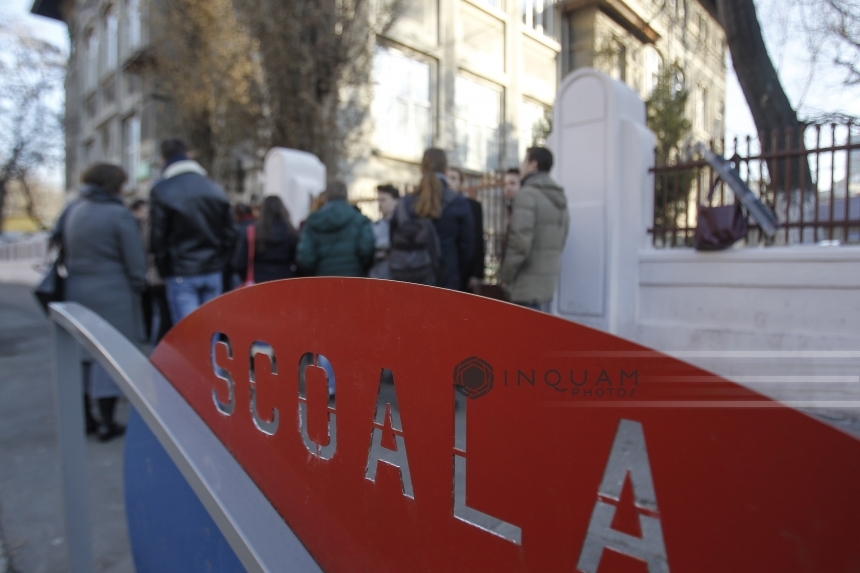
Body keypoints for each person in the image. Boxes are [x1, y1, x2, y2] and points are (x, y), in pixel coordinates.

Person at [64, 164, 148, 441]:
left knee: (83, 355)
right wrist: (139, 283)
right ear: (115, 185)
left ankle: (86, 418)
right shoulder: (117, 214)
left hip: (77, 289)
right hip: (113, 292)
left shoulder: (74, 210)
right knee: (106, 353)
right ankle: (107, 421)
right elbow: (135, 259)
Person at [149, 138, 237, 323]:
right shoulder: (215, 188)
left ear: (164, 159)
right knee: (211, 329)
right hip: (212, 269)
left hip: (182, 271)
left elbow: (158, 238)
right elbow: (230, 233)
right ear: (188, 155)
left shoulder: (162, 190)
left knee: (188, 331)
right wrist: (220, 261)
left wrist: (165, 269)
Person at [498, 147, 569, 310]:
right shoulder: (558, 196)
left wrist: (505, 276)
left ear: (533, 165)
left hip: (524, 285)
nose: (520, 167)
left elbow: (520, 244)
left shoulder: (527, 195)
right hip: (546, 284)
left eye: (524, 162)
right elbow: (562, 238)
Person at [392, 148, 473, 290]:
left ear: (421, 169)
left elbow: (393, 239)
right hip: (447, 280)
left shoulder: (404, 203)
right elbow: (467, 247)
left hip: (411, 281)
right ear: (446, 170)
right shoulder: (458, 202)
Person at [296, 181, 375, 277]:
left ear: (326, 197)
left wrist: (313, 272)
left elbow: (305, 257)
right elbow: (366, 250)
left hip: (323, 278)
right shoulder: (359, 220)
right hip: (354, 277)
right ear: (346, 196)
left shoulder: (313, 221)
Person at [130, 199, 172, 344]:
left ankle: (155, 344)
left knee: (157, 314)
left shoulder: (147, 227)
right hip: (157, 276)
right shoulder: (150, 227)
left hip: (154, 276)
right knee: (159, 315)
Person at [233, 195, 299, 283]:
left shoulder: (254, 232)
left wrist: (246, 277)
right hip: (285, 280)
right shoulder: (292, 233)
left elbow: (240, 263)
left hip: (258, 280)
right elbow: (300, 261)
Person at [447, 166, 485, 292]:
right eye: (447, 178)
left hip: (465, 271)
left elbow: (478, 240)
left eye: (453, 178)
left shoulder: (473, 206)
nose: (449, 182)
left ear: (460, 183)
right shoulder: (437, 205)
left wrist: (476, 274)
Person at [369, 184, 399, 279]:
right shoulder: (376, 225)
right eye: (378, 200)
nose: (380, 204)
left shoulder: (404, 224)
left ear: (395, 201)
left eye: (383, 200)